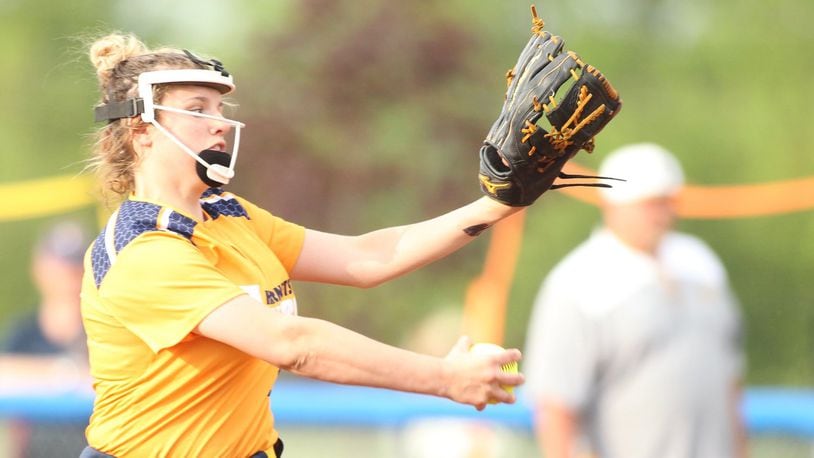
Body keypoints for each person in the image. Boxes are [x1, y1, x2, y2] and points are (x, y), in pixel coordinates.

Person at [78, 33, 528, 458]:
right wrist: (446, 378)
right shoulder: (143, 251)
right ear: (141, 130)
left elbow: (366, 258)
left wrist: (497, 204)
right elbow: (292, 344)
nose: (220, 125)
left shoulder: (227, 214)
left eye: (220, 108)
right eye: (199, 109)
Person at [523, 143, 747, 458]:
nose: (661, 214)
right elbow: (556, 407)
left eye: (667, 201)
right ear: (613, 204)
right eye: (649, 204)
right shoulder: (577, 282)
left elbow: (730, 381)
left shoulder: (701, 263)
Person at [0, 220, 92, 458]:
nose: (68, 276)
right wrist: (68, 374)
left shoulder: (104, 329)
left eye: (75, 265)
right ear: (40, 268)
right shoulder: (23, 334)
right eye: (60, 266)